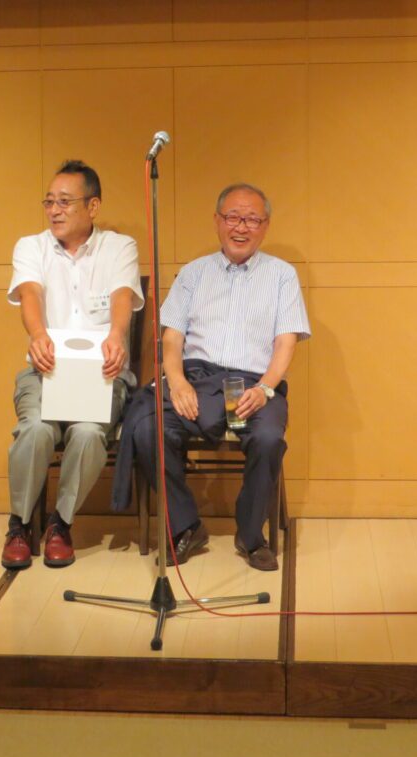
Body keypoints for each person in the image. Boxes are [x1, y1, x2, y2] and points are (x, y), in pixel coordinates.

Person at [120, 183, 309, 571]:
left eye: (251, 219)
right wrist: (177, 382)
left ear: (265, 226)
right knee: (150, 428)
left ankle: (251, 535)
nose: (241, 227)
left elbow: (286, 341)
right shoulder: (194, 273)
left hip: (251, 387)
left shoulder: (282, 276)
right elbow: (172, 338)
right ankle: (186, 526)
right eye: (233, 217)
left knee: (267, 438)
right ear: (217, 221)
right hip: (197, 381)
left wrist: (266, 388)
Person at [2, 160, 143, 570]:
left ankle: (60, 524)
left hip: (103, 373)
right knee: (35, 430)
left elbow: (122, 296)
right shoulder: (31, 246)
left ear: (92, 206)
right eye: (49, 202)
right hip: (45, 370)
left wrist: (116, 335)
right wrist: (37, 334)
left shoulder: (119, 247)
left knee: (87, 433)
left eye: (65, 202)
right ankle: (19, 524)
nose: (54, 210)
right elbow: (30, 293)